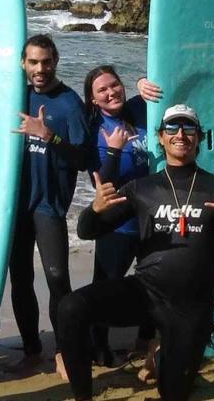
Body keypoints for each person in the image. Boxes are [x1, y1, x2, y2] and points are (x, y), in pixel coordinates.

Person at [55, 104, 214, 401]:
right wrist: (94, 210)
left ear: (199, 137)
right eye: (172, 128)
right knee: (71, 307)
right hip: (145, 293)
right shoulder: (141, 188)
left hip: (191, 308)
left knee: (173, 393)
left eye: (188, 128)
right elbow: (86, 231)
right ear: (160, 137)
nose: (180, 134)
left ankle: (160, 354)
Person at [8, 34, 88, 372]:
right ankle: (30, 349)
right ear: (23, 64)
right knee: (21, 279)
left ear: (55, 61)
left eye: (46, 61)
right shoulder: (15, 95)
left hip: (48, 206)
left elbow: (83, 158)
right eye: (33, 62)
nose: (40, 69)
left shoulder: (69, 103)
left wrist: (47, 135)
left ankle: (64, 350)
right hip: (14, 207)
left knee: (58, 280)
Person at [81, 65, 154, 367]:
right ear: (93, 99)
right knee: (106, 286)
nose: (111, 92)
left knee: (155, 282)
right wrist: (113, 151)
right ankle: (99, 348)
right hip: (119, 223)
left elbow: (165, 81)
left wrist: (142, 80)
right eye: (102, 90)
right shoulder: (93, 129)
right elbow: (103, 185)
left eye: (115, 85)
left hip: (152, 217)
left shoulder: (137, 109)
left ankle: (144, 341)